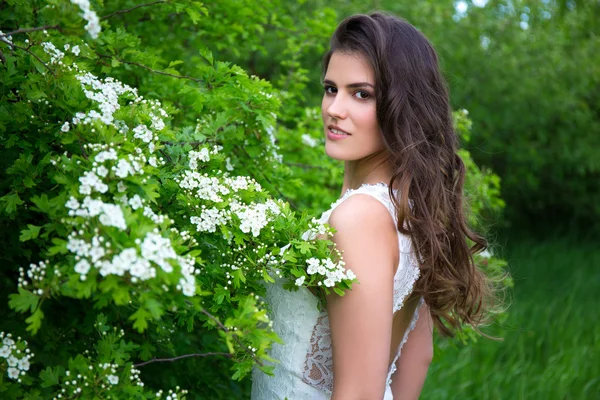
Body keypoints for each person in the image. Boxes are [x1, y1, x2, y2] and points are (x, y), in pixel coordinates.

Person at [252, 12, 493, 400]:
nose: (334, 108)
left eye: (361, 94)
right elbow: (417, 357)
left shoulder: (359, 220)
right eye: (331, 89)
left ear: (403, 106)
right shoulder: (411, 213)